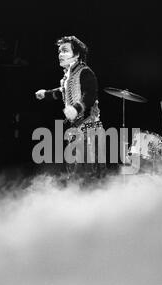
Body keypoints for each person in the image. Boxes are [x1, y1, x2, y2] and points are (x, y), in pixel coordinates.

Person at [35, 35, 105, 180]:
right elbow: (61, 92)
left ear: (77, 54)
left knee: (87, 174)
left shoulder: (85, 72)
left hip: (89, 128)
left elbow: (90, 95)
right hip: (76, 130)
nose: (60, 54)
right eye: (59, 51)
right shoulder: (68, 77)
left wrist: (76, 108)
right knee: (75, 174)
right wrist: (45, 94)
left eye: (65, 51)